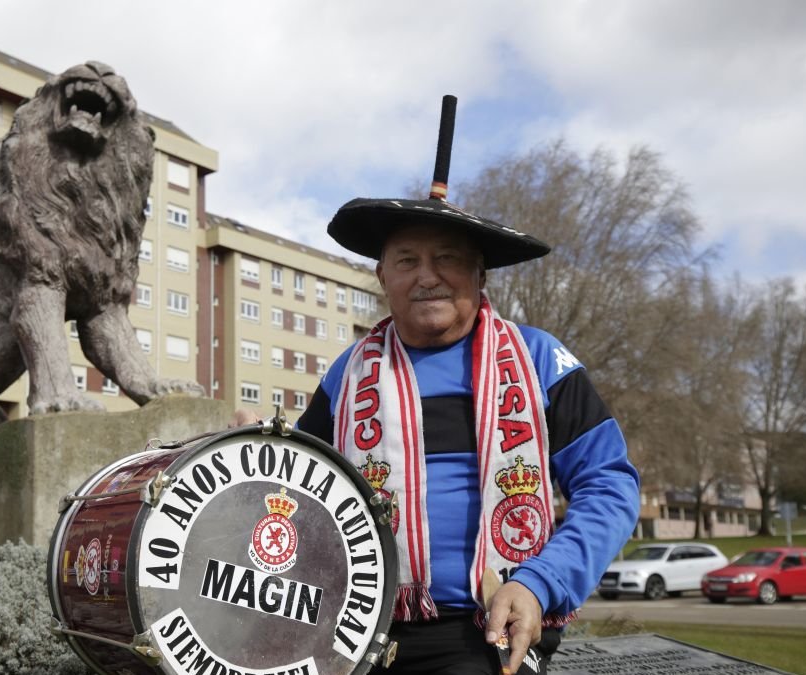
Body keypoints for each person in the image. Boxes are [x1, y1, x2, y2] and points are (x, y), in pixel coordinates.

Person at [235, 199, 640, 674]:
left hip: (488, 627)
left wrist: (540, 582)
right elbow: (301, 493)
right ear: (384, 277)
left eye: (446, 258)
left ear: (480, 274)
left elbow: (610, 486)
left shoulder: (539, 360)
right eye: (407, 261)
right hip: (355, 626)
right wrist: (253, 456)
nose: (427, 277)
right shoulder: (346, 375)